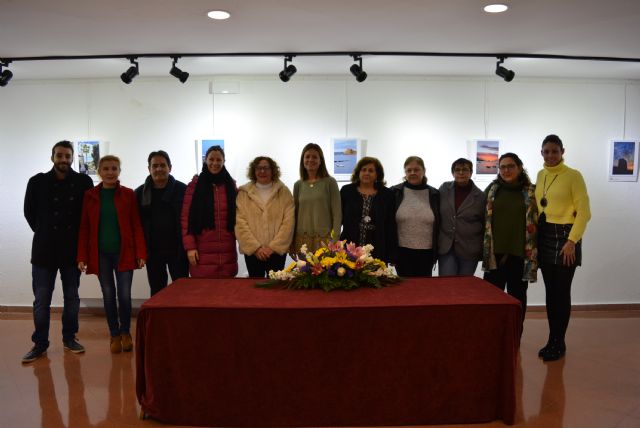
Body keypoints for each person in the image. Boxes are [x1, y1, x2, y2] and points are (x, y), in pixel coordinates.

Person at [22, 141, 94, 363]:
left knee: (72, 297)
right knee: (41, 300)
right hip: (44, 250)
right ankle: (40, 343)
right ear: (52, 157)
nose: (63, 160)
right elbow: (29, 212)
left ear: (72, 158)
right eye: (59, 155)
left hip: (72, 249)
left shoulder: (84, 182)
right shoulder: (37, 182)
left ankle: (69, 338)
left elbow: (87, 215)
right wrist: (44, 232)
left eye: (67, 156)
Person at [77, 155, 146, 354]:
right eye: (106, 169)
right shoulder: (90, 195)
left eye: (114, 168)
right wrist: (81, 256)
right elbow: (84, 228)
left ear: (119, 171)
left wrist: (141, 252)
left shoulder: (128, 194)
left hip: (125, 253)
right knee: (108, 295)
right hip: (101, 255)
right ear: (99, 172)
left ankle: (126, 333)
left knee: (124, 295)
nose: (110, 172)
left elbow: (136, 225)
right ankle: (114, 334)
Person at [536, 134, 591, 361]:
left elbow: (584, 212)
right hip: (545, 236)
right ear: (541, 153)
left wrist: (572, 241)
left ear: (562, 152)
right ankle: (552, 339)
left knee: (561, 292)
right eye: (546, 151)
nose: (550, 155)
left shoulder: (574, 176)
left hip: (566, 238)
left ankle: (559, 342)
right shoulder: (541, 175)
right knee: (551, 293)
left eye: (555, 151)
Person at [482, 153, 537, 334]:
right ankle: (493, 337)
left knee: (517, 300)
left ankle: (514, 337)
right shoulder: (492, 190)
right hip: (494, 256)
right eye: (503, 167)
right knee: (492, 301)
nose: (506, 170)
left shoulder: (531, 192)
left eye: (511, 166)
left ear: (519, 168)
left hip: (520, 255)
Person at [135, 150, 188, 296]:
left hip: (178, 250)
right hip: (153, 251)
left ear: (170, 167)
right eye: (155, 166)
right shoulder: (139, 193)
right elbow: (136, 225)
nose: (159, 169)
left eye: (162, 165)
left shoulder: (183, 190)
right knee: (157, 291)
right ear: (149, 169)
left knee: (182, 290)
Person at [182, 145, 238, 278]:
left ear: (224, 161)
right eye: (211, 159)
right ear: (205, 160)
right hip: (202, 253)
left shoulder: (231, 185)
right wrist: (190, 247)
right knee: (203, 290)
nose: (215, 163)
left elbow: (239, 217)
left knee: (226, 290)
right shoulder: (194, 186)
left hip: (227, 252)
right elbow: (185, 219)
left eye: (219, 160)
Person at [235, 156, 295, 277]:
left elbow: (288, 223)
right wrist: (256, 248)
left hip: (276, 253)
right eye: (259, 168)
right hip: (253, 253)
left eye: (266, 168)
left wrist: (272, 247)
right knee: (255, 286)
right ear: (254, 170)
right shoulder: (244, 194)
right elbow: (240, 223)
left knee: (275, 286)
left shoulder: (284, 192)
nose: (262, 171)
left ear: (272, 170)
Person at [340, 156, 397, 263]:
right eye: (364, 170)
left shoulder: (387, 194)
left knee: (375, 272)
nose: (367, 173)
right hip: (350, 245)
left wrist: (392, 253)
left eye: (371, 170)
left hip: (377, 247)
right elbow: (339, 217)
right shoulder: (346, 191)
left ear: (377, 174)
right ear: (358, 172)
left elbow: (390, 224)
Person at [392, 156, 440, 276]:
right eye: (409, 170)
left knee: (423, 286)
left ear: (424, 171)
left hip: (427, 253)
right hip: (401, 252)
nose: (412, 173)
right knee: (404, 285)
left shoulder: (434, 194)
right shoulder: (395, 192)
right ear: (405, 172)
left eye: (416, 169)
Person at [438, 158, 486, 276]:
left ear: (471, 172)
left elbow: (484, 222)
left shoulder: (480, 196)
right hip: (446, 247)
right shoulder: (444, 189)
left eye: (465, 169)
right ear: (452, 173)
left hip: (470, 248)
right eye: (457, 170)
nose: (461, 173)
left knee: (465, 284)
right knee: (447, 283)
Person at [292, 143, 341, 253]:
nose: (310, 160)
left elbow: (337, 214)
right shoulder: (298, 185)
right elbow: (294, 215)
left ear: (320, 161)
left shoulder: (330, 182)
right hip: (302, 240)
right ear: (303, 160)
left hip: (325, 240)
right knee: (303, 265)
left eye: (315, 157)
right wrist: (291, 242)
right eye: (307, 157)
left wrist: (335, 239)